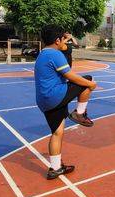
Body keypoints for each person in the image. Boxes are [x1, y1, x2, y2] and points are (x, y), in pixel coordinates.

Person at [34, 24, 97, 180]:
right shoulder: (55, 55)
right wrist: (90, 85)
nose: (65, 42)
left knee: (57, 133)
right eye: (63, 39)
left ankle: (55, 168)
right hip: (56, 96)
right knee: (87, 80)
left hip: (44, 100)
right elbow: (70, 76)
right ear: (57, 40)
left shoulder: (43, 54)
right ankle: (79, 113)